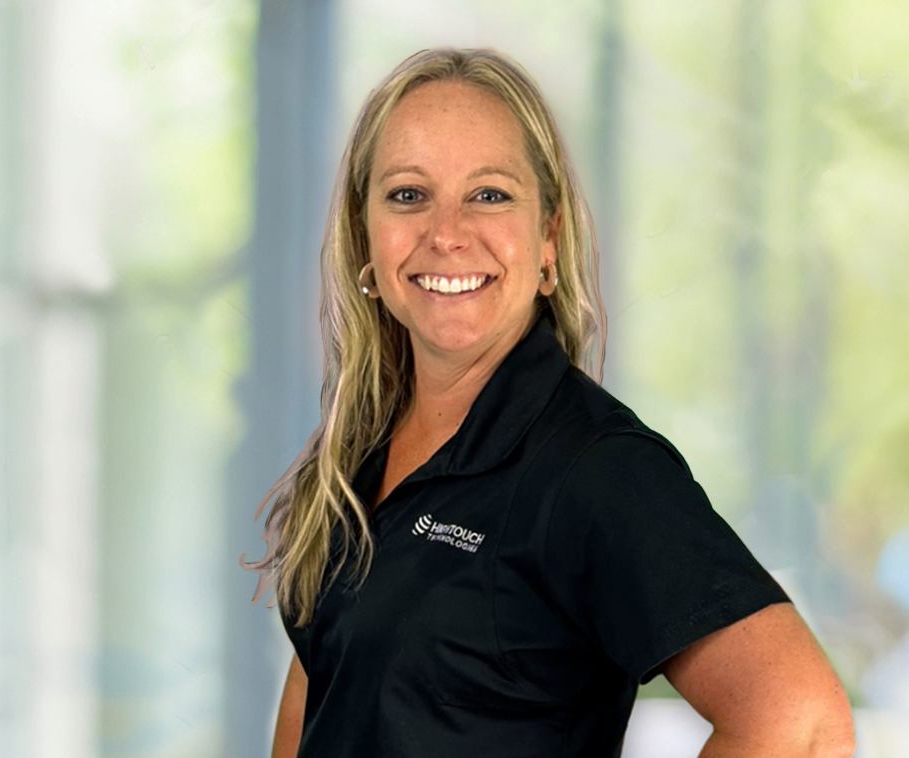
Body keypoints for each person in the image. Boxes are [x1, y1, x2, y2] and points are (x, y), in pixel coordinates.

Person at [240, 47, 855, 757]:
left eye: (489, 195)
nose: (446, 233)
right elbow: (325, 686)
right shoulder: (362, 447)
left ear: (547, 240)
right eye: (408, 195)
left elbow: (801, 721)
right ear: (365, 239)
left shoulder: (594, 470)